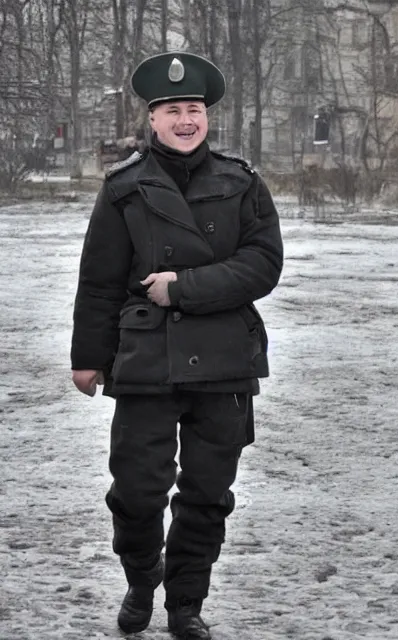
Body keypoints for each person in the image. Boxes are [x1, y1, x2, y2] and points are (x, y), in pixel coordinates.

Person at [69, 51, 284, 639]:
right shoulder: (124, 188)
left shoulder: (243, 183)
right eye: (172, 110)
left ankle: (186, 602)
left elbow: (263, 265)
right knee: (137, 492)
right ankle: (143, 577)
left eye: (194, 109)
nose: (185, 120)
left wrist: (183, 287)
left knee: (208, 494)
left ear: (207, 117)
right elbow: (100, 279)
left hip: (225, 363)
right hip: (145, 362)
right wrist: (88, 358)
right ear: (153, 119)